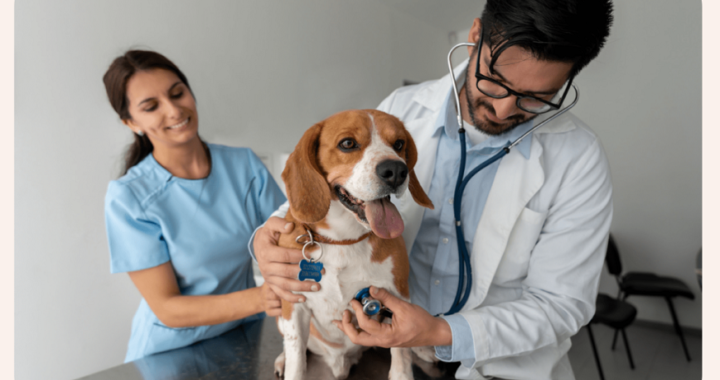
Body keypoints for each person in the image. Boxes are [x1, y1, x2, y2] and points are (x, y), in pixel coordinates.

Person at [253, 1, 614, 379]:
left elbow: (562, 305)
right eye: (495, 80)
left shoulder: (579, 158)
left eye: (536, 97)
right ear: (475, 37)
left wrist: (442, 333)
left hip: (501, 365)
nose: (505, 108)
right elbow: (323, 195)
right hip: (384, 354)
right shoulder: (401, 109)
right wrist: (264, 239)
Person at [103, 50, 286, 362]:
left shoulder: (244, 166)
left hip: (244, 336)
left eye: (178, 93)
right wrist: (263, 297)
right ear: (131, 122)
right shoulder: (130, 198)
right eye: (151, 107)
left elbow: (289, 239)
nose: (174, 110)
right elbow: (168, 307)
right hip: (170, 353)